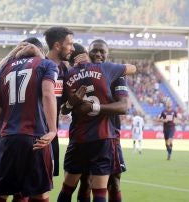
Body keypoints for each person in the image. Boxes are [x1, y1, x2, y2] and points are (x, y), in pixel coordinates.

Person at [57, 43, 136, 202]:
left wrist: (92, 107)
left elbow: (123, 106)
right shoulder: (107, 69)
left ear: (108, 54)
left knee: (113, 181)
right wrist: (72, 104)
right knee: (88, 184)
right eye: (95, 51)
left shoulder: (68, 74)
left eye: (102, 51)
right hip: (100, 137)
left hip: (106, 134)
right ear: (87, 52)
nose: (99, 54)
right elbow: (132, 68)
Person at [0, 38, 58, 202]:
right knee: (39, 194)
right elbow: (48, 94)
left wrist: (10, 118)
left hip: (8, 138)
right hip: (36, 137)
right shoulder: (46, 64)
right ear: (40, 51)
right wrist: (53, 130)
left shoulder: (3, 69)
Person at [43, 26, 75, 177]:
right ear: (57, 45)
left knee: (45, 185)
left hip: (52, 133)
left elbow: (66, 106)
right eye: (69, 44)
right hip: (35, 132)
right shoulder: (39, 65)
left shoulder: (64, 69)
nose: (72, 48)